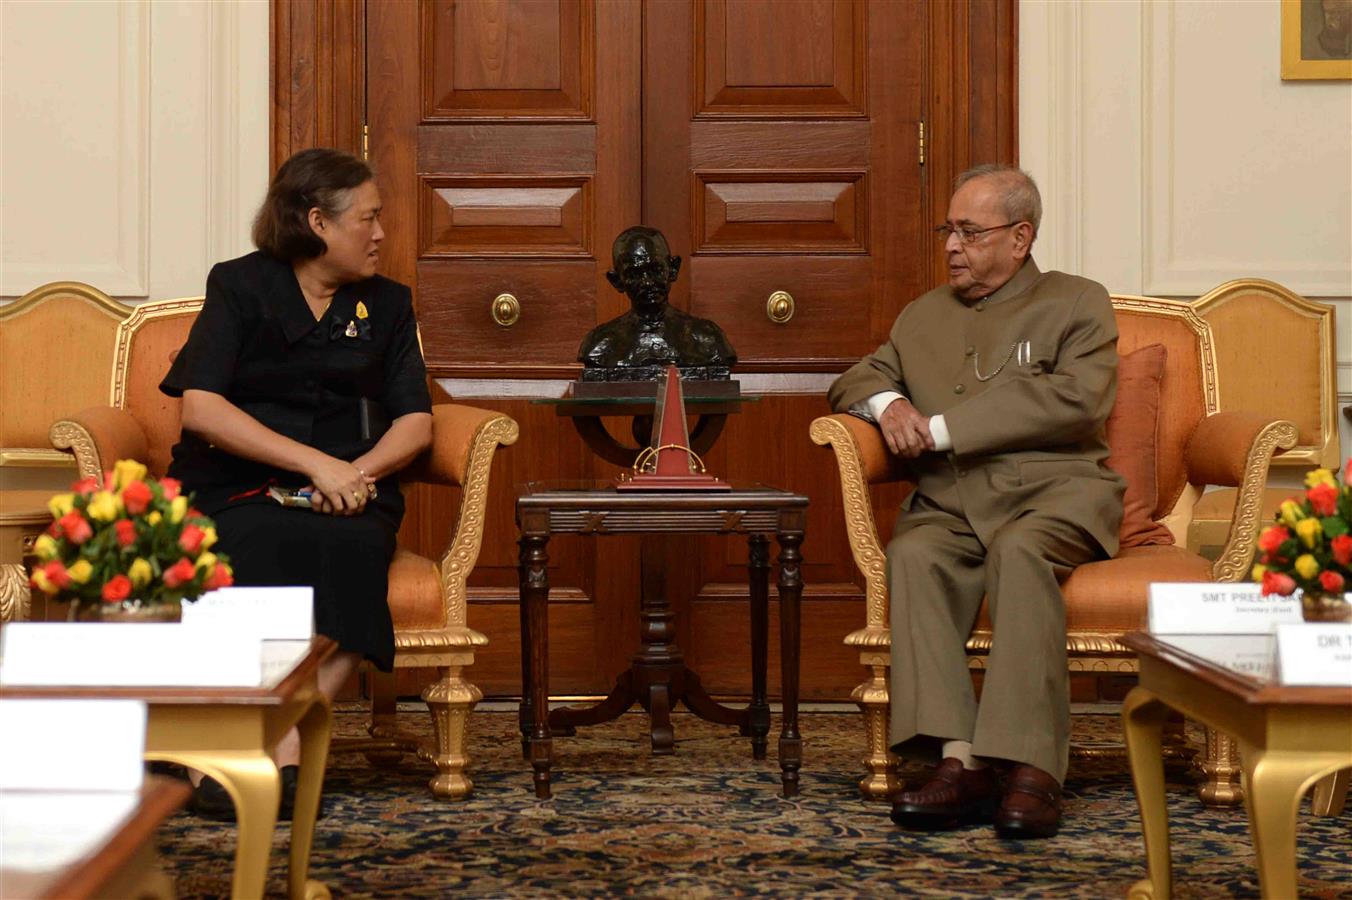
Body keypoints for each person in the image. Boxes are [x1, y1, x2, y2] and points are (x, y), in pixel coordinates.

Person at [827, 164, 1124, 839]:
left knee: (1020, 552)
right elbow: (859, 376)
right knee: (914, 553)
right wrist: (890, 402)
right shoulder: (923, 313)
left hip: (1057, 494)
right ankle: (959, 764)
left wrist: (937, 429)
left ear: (1020, 238)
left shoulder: (1077, 301)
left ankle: (1030, 769)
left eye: (969, 231)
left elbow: (1076, 398)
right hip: (954, 504)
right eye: (948, 230)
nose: (952, 246)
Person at [160, 147, 433, 817]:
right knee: (252, 540)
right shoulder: (240, 286)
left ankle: (271, 738)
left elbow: (417, 422)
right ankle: (260, 747)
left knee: (355, 549)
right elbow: (202, 408)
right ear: (317, 222)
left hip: (353, 494)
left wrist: (355, 474)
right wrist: (314, 464)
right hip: (237, 484)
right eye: (367, 219)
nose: (379, 233)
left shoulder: (388, 304)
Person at [577, 226, 736, 379]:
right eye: (634, 274)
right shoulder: (599, 345)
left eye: (655, 270)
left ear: (673, 269)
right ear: (617, 281)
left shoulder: (708, 339)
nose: (647, 282)